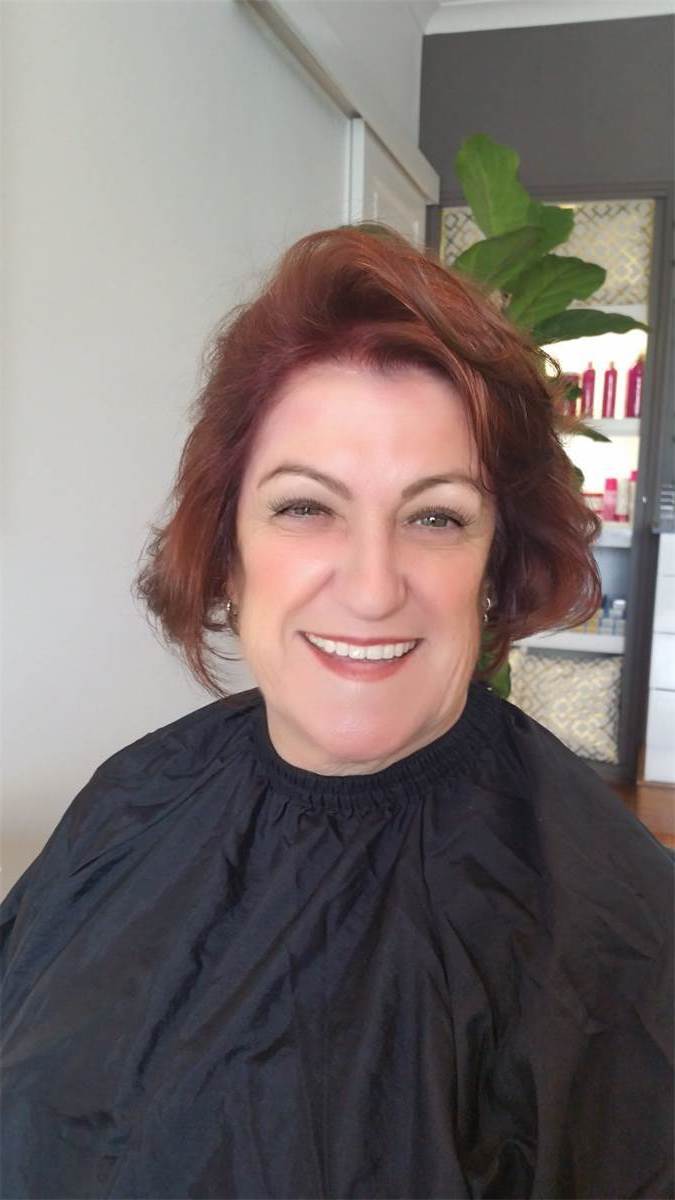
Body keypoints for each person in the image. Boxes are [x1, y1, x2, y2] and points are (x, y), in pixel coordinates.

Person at [1, 225, 672, 1200]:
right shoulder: (131, 796)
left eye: (435, 517)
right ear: (227, 549)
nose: (370, 587)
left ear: (494, 564)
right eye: (306, 508)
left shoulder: (610, 927)